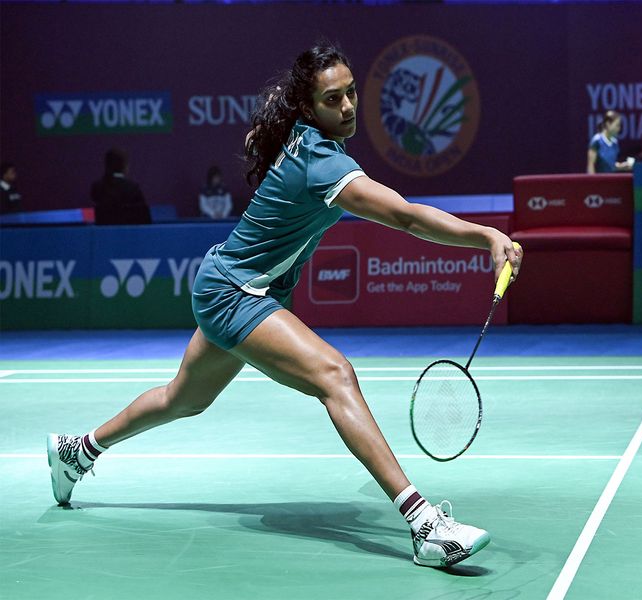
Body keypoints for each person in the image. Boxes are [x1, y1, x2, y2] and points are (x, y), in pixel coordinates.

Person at [47, 45, 522, 569]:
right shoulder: (322, 163)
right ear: (308, 107)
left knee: (182, 399)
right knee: (335, 375)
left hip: (231, 283)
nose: (347, 106)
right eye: (332, 99)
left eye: (351, 93)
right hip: (236, 293)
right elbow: (406, 218)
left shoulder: (303, 138)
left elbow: (275, 122)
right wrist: (486, 236)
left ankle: (77, 450)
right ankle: (424, 526)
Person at [91, 148, 151, 225]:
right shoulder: (133, 188)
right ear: (125, 166)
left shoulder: (97, 187)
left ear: (106, 165)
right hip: (129, 231)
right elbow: (144, 218)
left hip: (103, 231)